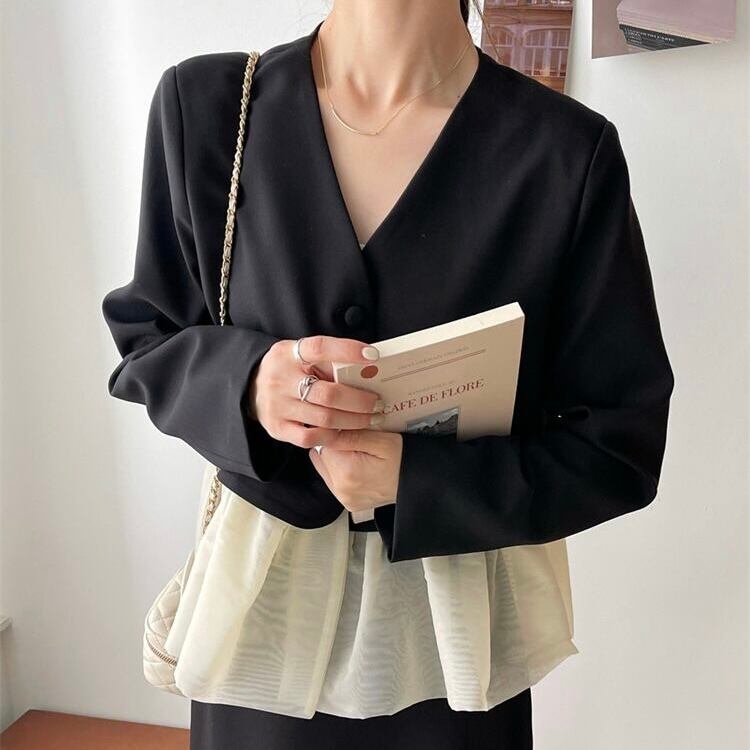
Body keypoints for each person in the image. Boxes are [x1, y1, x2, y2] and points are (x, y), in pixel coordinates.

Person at [101, 1, 675, 748]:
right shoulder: (208, 109)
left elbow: (620, 445)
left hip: (454, 658)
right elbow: (148, 337)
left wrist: (416, 482)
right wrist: (248, 384)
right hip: (260, 641)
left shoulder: (565, 152)